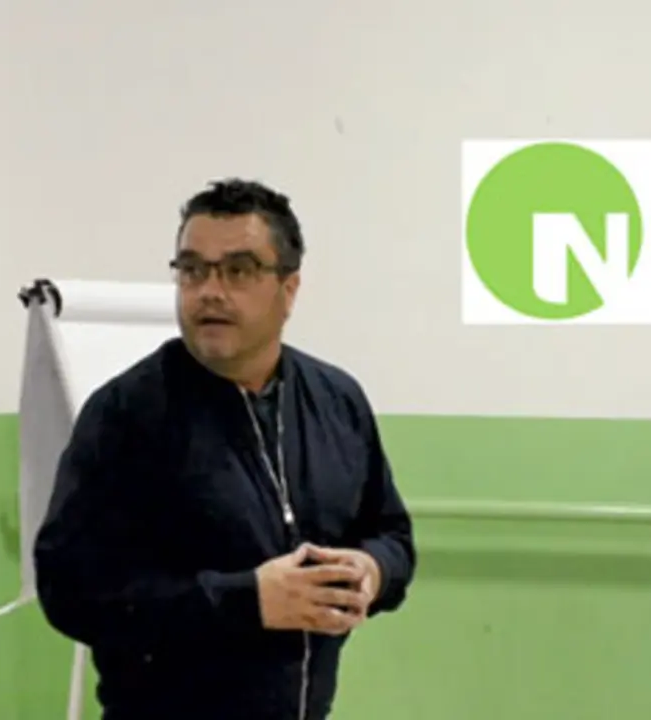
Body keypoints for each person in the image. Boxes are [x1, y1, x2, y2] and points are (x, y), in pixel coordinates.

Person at [34, 178, 416, 719]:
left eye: (238, 271)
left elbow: (392, 534)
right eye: (192, 270)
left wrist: (372, 570)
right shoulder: (125, 416)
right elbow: (70, 592)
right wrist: (247, 600)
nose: (209, 291)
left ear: (289, 289)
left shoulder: (337, 401)